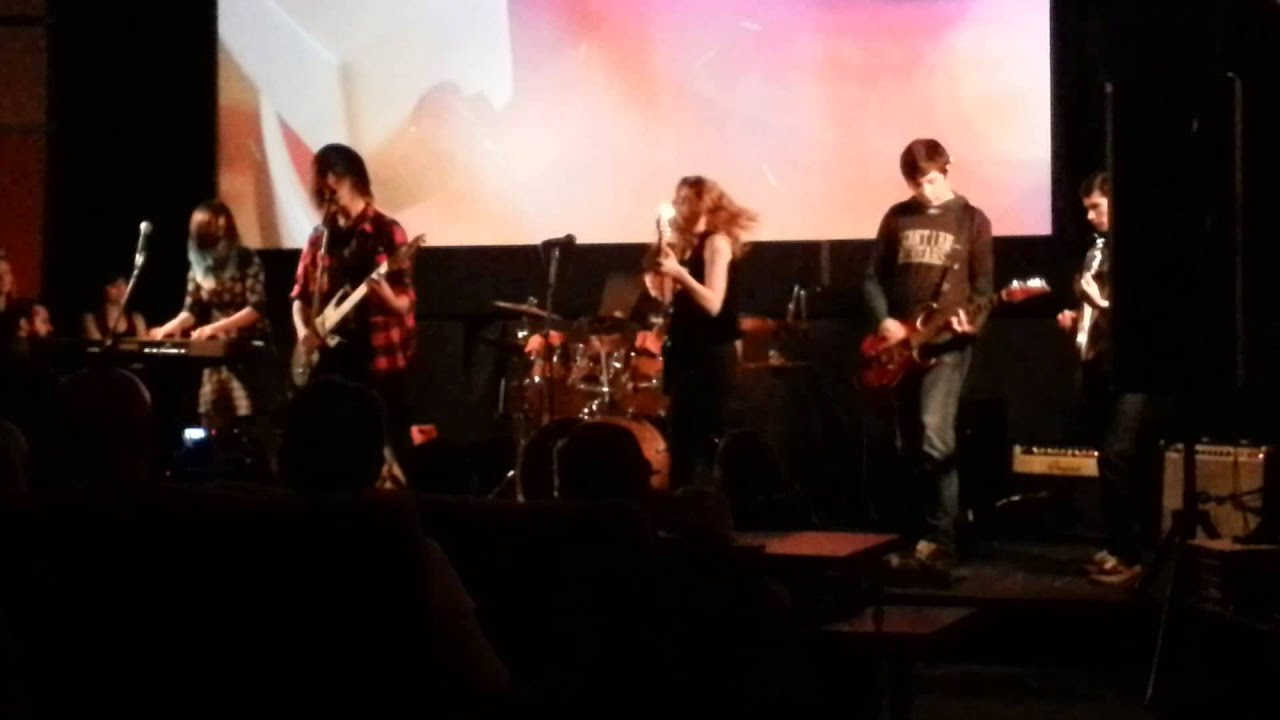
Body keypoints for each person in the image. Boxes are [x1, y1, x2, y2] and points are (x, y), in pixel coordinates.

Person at [865, 138, 994, 580]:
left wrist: (971, 325)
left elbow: (983, 290)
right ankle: (914, 534)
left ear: (947, 170)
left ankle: (942, 541)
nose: (926, 191)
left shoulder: (972, 220)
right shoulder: (896, 217)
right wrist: (884, 320)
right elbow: (872, 277)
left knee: (935, 436)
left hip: (947, 347)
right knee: (907, 441)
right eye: (917, 183)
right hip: (903, 348)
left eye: (933, 180)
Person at [290, 143, 417, 468]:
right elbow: (300, 296)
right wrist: (304, 334)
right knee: (335, 450)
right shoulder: (320, 238)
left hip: (379, 357)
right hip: (333, 360)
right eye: (324, 179)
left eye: (337, 177)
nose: (329, 186)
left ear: (355, 178)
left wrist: (385, 295)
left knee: (392, 441)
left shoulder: (387, 232)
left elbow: (405, 303)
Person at [1056, 171, 1152, 585]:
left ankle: (1131, 556)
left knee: (1117, 455)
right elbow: (1094, 308)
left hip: (1134, 365)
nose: (1091, 216)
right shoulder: (1097, 250)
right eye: (1087, 209)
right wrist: (1078, 320)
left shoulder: (1136, 250)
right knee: (1109, 458)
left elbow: (1141, 308)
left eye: (1097, 207)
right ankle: (1117, 547)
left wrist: (1102, 303)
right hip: (1100, 362)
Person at [654, 175, 755, 491]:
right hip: (687, 353)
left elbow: (713, 304)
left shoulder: (716, 242)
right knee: (681, 443)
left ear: (703, 204)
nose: (678, 205)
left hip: (710, 357)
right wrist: (664, 278)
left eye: (685, 200)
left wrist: (679, 273)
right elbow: (674, 301)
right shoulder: (689, 245)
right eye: (677, 199)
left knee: (706, 442)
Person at [151, 200, 270, 431]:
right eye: (216, 228)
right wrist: (169, 327)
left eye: (224, 228)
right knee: (212, 416)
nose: (222, 233)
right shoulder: (198, 264)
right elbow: (191, 310)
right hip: (216, 349)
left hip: (248, 347)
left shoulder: (247, 259)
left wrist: (215, 327)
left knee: (249, 418)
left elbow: (256, 308)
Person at [83, 273, 149, 340]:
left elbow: (142, 343)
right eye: (113, 285)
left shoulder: (136, 318)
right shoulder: (91, 318)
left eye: (123, 284)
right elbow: (97, 343)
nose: (120, 289)